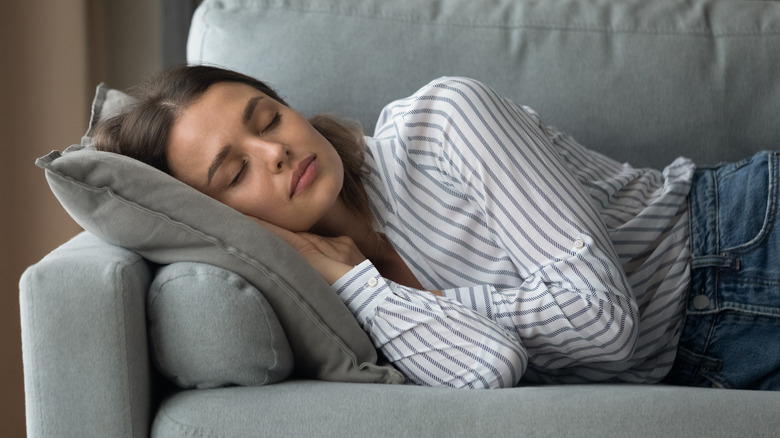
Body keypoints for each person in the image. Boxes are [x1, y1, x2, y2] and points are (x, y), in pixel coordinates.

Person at [93, 65, 780, 390]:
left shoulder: (443, 121)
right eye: (233, 173)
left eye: (267, 118)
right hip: (708, 365)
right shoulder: (324, 303)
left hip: (742, 243)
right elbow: (490, 369)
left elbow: (603, 320)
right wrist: (356, 283)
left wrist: (425, 303)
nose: (276, 154)